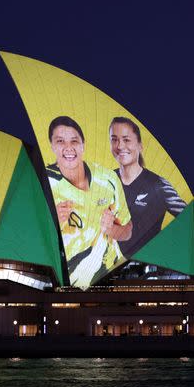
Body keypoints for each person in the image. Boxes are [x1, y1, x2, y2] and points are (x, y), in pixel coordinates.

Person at [46, 116, 132, 288]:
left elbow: (128, 230)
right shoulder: (44, 184)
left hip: (109, 278)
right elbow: (28, 242)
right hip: (64, 285)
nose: (68, 147)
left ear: (83, 145)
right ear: (52, 146)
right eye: (60, 141)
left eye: (74, 141)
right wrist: (50, 222)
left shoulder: (108, 178)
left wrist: (112, 229)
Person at [109, 116, 187, 257]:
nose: (120, 146)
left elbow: (190, 220)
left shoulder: (158, 186)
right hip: (109, 270)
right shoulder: (105, 181)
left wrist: (166, 250)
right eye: (114, 139)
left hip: (145, 271)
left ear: (140, 145)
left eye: (126, 140)